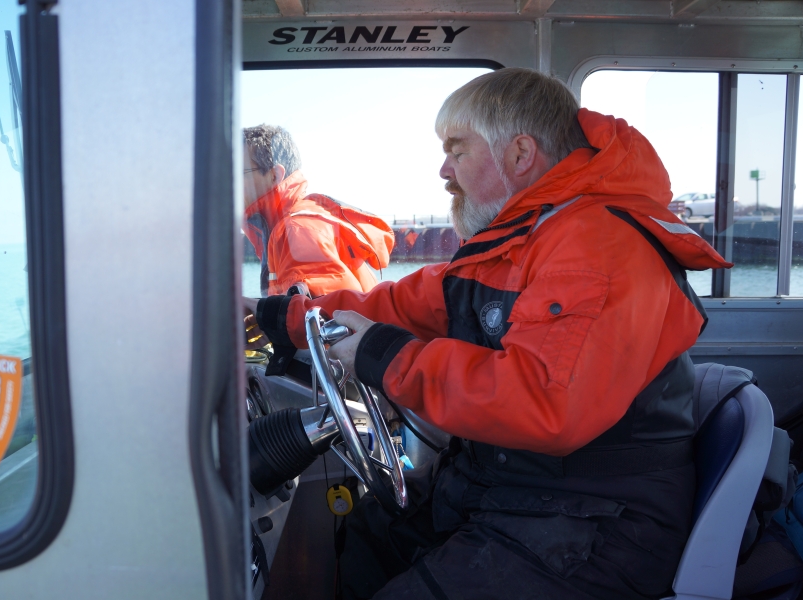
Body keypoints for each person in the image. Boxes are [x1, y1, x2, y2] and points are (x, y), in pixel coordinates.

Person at [244, 69, 731, 599]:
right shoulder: (520, 240)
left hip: (595, 519)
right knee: (356, 543)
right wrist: (275, 318)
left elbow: (545, 402)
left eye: (457, 150)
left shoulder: (597, 245)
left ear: (520, 155)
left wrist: (385, 358)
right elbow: (402, 303)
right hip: (514, 488)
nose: (443, 170)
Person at [242, 124, 394, 297]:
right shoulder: (290, 224)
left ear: (274, 176)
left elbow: (321, 317)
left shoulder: (297, 229)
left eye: (237, 172)